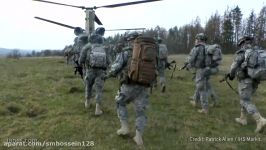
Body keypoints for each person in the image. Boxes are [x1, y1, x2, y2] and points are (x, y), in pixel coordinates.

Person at [106, 32, 157, 146]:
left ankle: (125, 128)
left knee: (119, 102)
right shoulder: (151, 53)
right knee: (141, 112)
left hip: (129, 86)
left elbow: (115, 67)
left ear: (130, 40)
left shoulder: (126, 52)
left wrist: (109, 74)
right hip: (144, 86)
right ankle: (138, 137)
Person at [227, 36, 266, 133]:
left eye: (240, 44)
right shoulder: (257, 51)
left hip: (245, 81)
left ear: (242, 43)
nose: (240, 46)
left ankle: (260, 120)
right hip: (255, 80)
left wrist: (231, 76)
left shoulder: (242, 52)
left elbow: (233, 67)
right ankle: (242, 119)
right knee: (245, 98)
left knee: (245, 100)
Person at [79, 27, 111, 116]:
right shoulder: (104, 48)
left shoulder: (87, 47)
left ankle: (87, 103)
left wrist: (84, 64)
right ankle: (98, 109)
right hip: (101, 71)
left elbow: (80, 60)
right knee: (99, 89)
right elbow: (109, 61)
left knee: (88, 86)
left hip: (90, 70)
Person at [185, 33, 210, 114]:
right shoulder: (208, 47)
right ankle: (195, 101)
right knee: (200, 86)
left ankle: (205, 108)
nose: (195, 41)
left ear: (199, 39)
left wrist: (188, 65)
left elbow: (192, 58)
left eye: (196, 39)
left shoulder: (198, 47)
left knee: (202, 89)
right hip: (207, 69)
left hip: (200, 69)